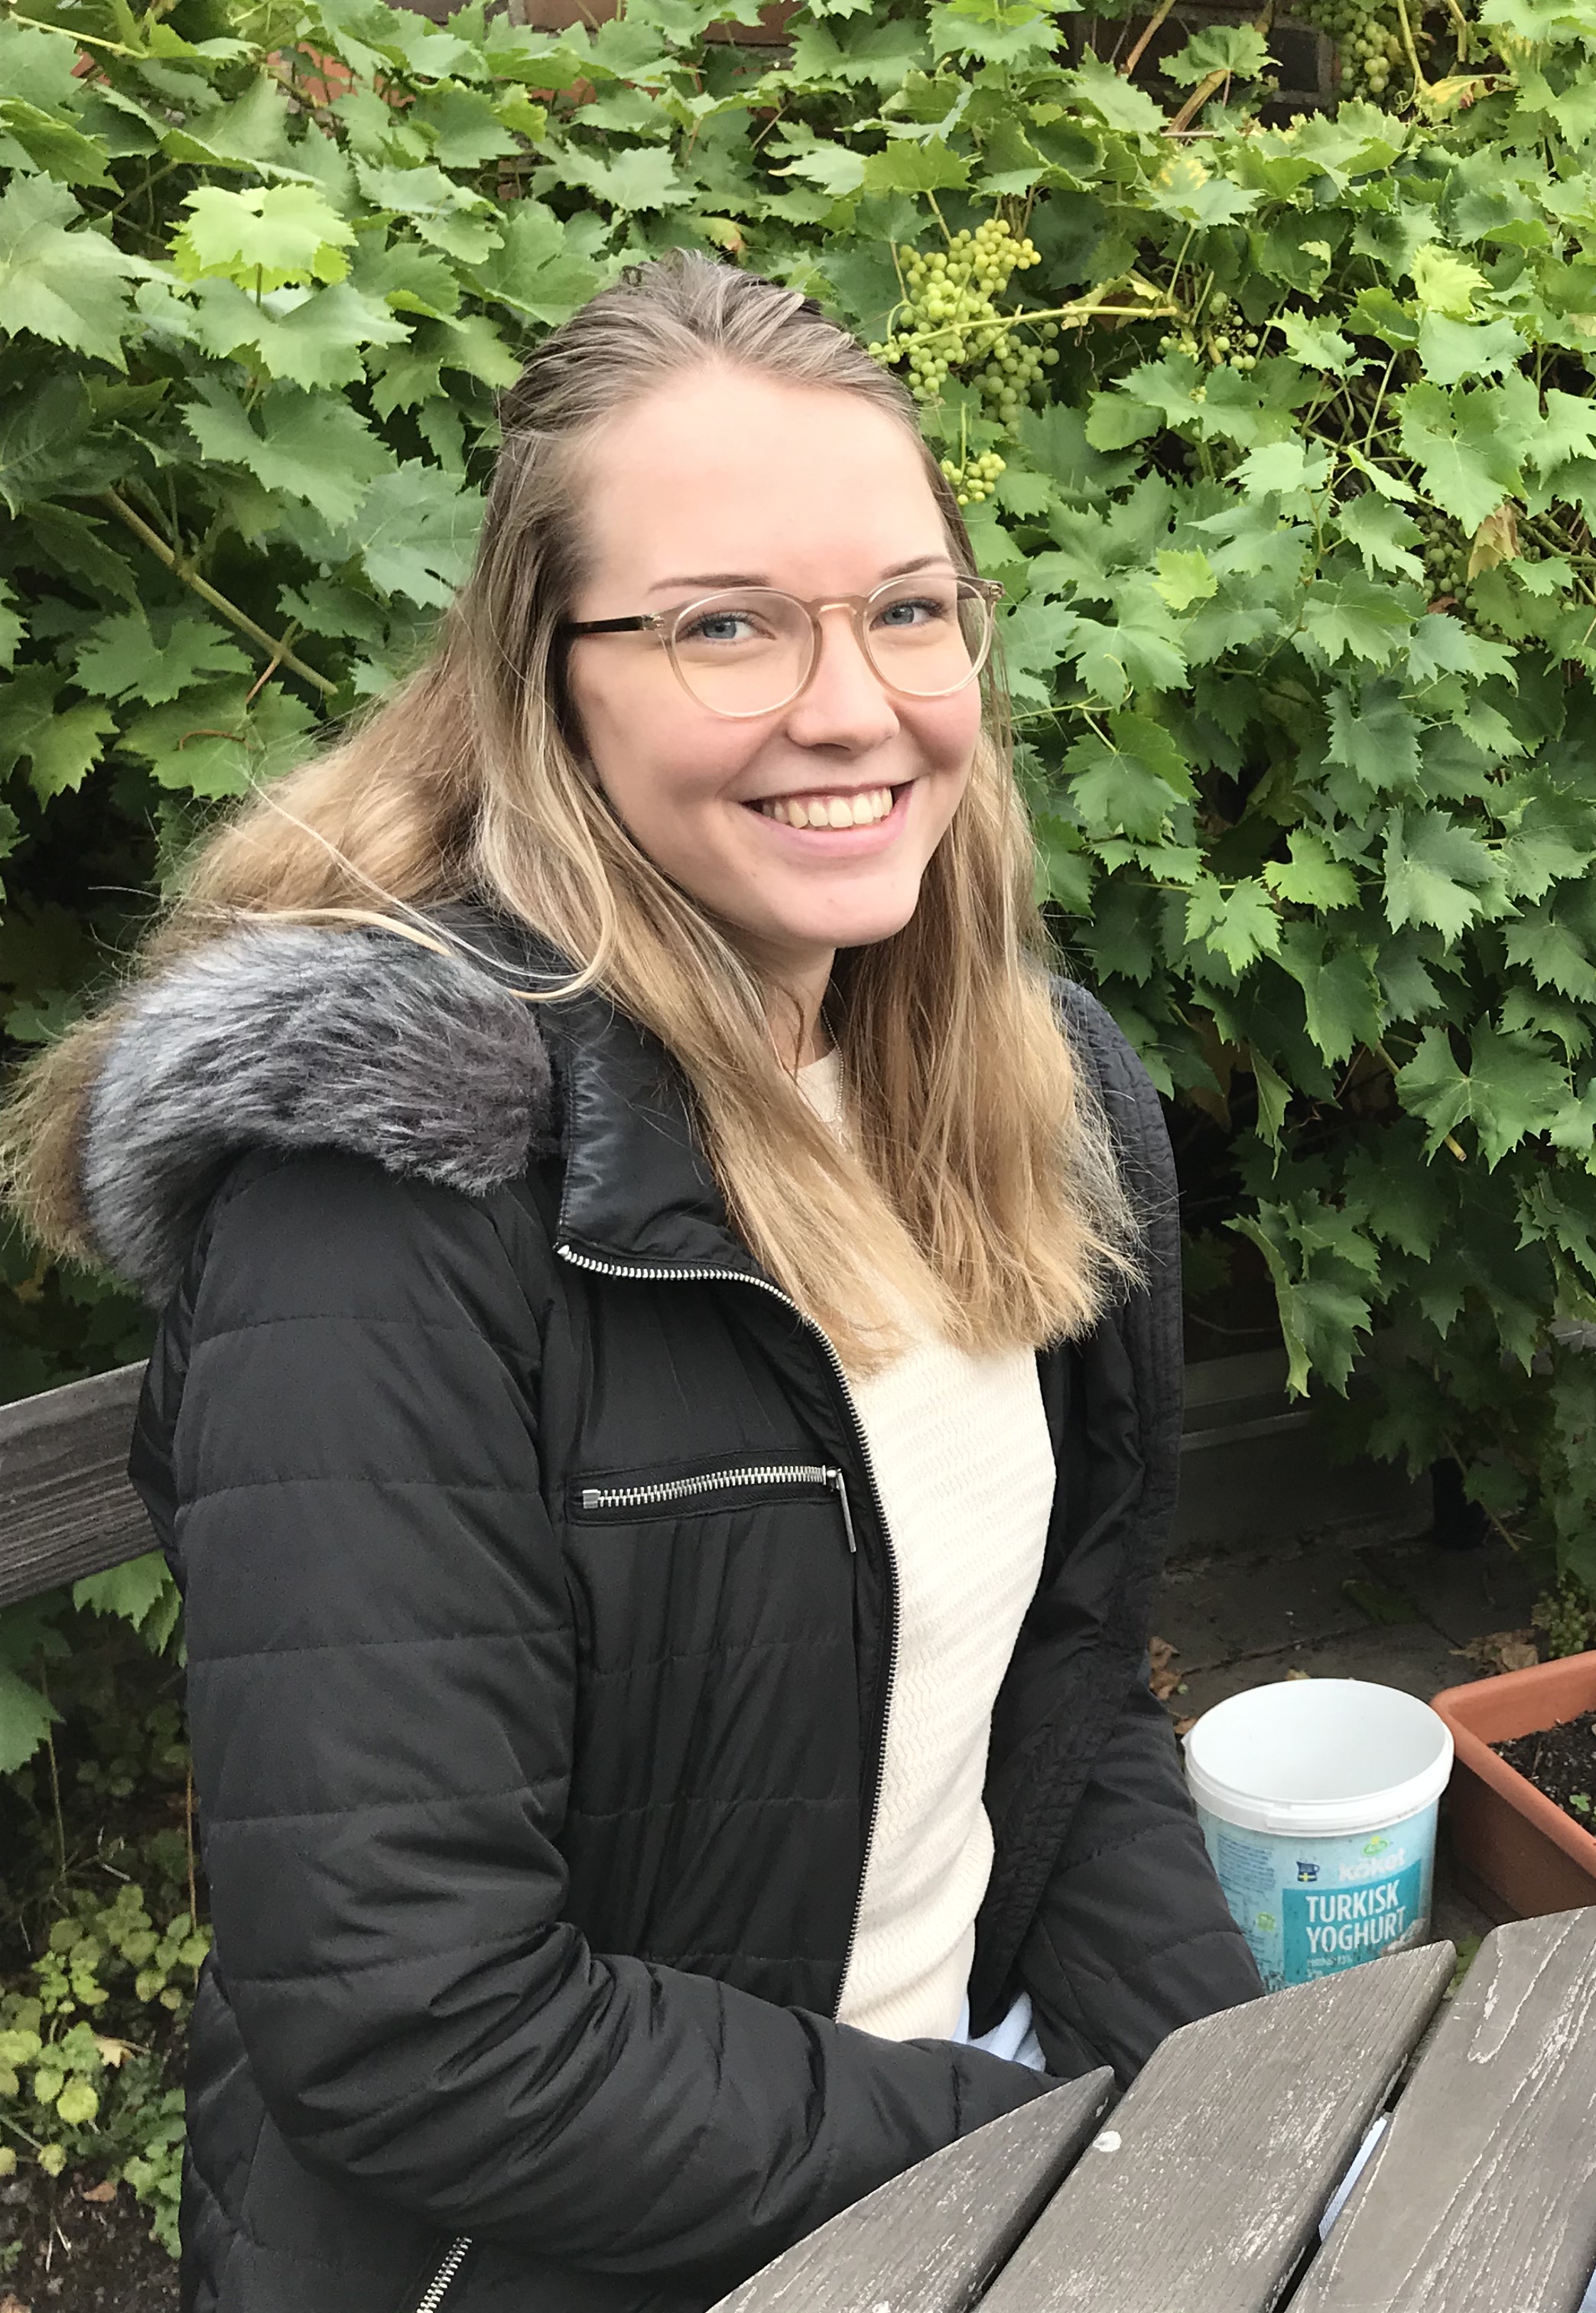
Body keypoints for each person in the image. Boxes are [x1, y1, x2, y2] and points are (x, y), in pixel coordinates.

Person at [0, 254, 1260, 2311]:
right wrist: (1045, 2167)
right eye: (725, 626)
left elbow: (1063, 1707)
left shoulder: (1031, 1090)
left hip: (971, 2132)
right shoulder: (389, 1199)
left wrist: (1234, 2104)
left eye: (908, 608)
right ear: (547, 680)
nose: (851, 705)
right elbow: (419, 2022)